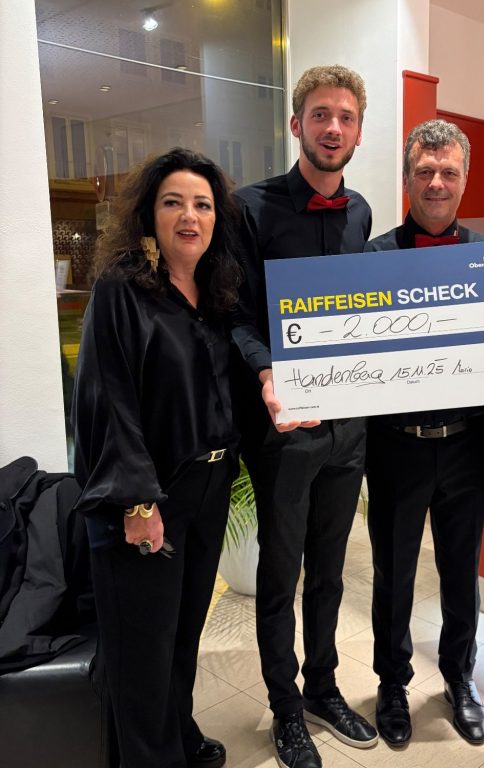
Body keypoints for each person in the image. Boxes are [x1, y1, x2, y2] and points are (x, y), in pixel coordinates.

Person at [71, 147, 242, 768]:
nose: (189, 216)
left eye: (202, 204)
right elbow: (109, 399)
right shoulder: (122, 290)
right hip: (148, 498)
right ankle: (151, 755)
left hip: (207, 488)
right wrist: (138, 502)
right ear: (150, 213)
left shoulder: (216, 291)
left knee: (181, 633)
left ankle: (176, 731)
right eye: (174, 203)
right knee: (141, 651)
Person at [231, 65, 377, 768]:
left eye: (345, 117)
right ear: (297, 125)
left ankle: (322, 688)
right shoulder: (250, 209)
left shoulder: (362, 213)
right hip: (285, 429)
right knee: (280, 573)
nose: (332, 128)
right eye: (320, 115)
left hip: (348, 430)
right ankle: (285, 708)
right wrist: (266, 370)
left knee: (330, 571)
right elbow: (234, 314)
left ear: (358, 130)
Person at [363, 119, 484, 747]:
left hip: (469, 444)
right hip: (395, 446)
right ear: (407, 179)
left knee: (460, 571)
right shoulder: (371, 259)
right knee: (391, 573)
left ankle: (459, 678)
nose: (436, 183)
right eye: (425, 171)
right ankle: (392, 683)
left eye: (448, 172)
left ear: (464, 180)